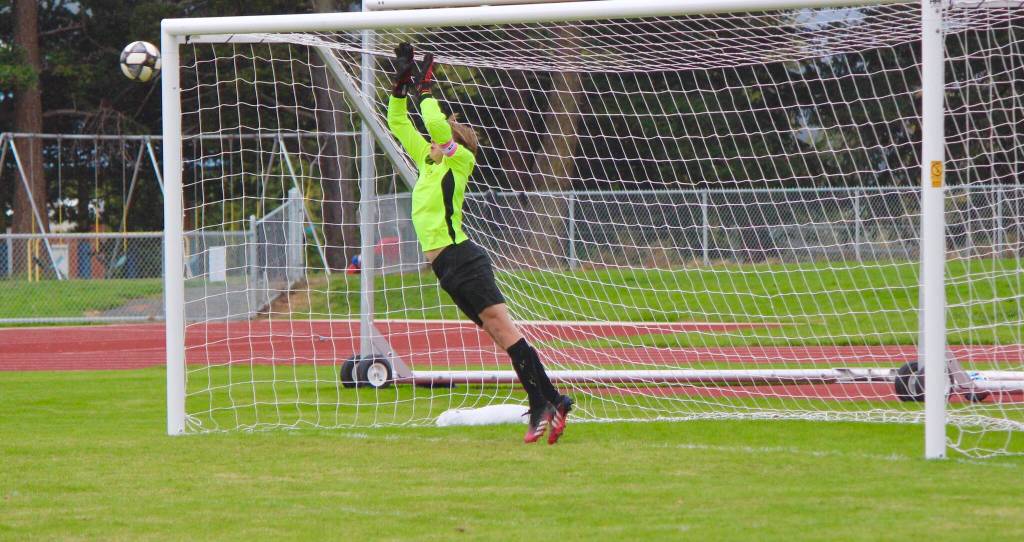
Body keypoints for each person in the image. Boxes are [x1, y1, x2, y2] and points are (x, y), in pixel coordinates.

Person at [386, 42, 573, 444]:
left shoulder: (459, 160)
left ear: (453, 144)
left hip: (463, 258)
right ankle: (552, 400)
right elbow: (399, 125)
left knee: (504, 329)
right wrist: (401, 86)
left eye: (441, 139)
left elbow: (434, 126)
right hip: (447, 268)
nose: (431, 142)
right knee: (499, 333)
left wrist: (426, 90)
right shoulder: (430, 161)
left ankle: (545, 402)